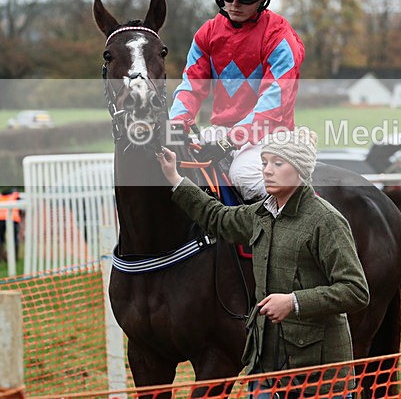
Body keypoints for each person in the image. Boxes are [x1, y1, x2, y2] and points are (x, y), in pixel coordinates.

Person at [156, 127, 369, 397]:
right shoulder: (260, 214)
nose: (267, 171)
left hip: (318, 376)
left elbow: (355, 290)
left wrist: (293, 302)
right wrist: (174, 177)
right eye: (265, 162)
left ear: (300, 169)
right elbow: (217, 217)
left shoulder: (327, 221)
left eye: (277, 164)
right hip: (266, 367)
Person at [168, 0, 306, 202]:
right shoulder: (207, 34)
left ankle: (287, 236)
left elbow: (273, 101)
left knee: (244, 174)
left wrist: (232, 140)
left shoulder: (279, 37)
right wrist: (177, 122)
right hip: (221, 131)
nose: (234, 4)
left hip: (272, 134)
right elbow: (191, 85)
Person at [0, 188, 23, 261]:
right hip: (12, 219)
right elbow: (21, 209)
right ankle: (14, 258)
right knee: (14, 239)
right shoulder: (16, 196)